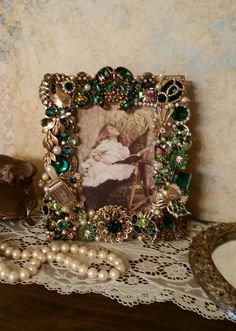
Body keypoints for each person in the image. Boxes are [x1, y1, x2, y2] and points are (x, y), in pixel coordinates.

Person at [80, 124, 135, 209]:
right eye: (112, 128)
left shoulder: (122, 147)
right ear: (107, 134)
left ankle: (97, 203)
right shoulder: (107, 143)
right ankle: (93, 203)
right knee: (101, 178)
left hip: (117, 165)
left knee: (110, 179)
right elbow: (95, 153)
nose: (115, 128)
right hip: (105, 164)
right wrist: (102, 160)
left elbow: (126, 159)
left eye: (114, 127)